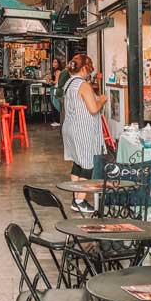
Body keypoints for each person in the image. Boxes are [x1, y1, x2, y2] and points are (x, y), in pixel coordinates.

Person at [61, 53, 107, 215]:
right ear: (85, 68)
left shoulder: (69, 83)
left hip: (70, 127)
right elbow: (93, 108)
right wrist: (102, 99)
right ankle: (80, 201)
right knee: (88, 164)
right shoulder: (83, 85)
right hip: (83, 129)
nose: (91, 72)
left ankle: (76, 199)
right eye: (90, 68)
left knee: (78, 163)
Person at [49, 57, 68, 128]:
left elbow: (56, 82)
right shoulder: (58, 71)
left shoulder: (58, 71)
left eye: (55, 62)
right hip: (57, 89)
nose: (53, 63)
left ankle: (57, 121)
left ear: (58, 64)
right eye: (53, 62)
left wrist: (50, 81)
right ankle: (58, 121)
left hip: (56, 89)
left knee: (55, 105)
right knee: (56, 104)